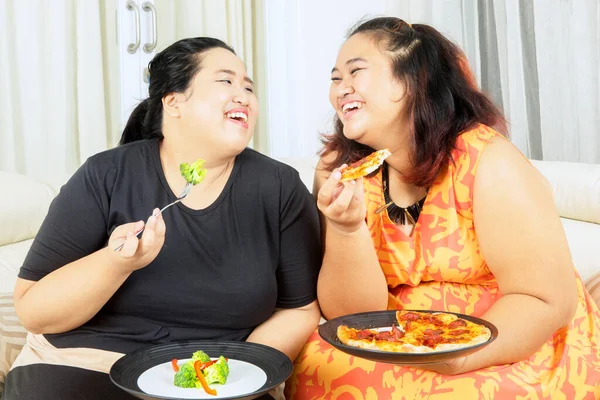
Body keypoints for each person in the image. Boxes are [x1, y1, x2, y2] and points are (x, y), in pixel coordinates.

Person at [285, 17, 600, 399]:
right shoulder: (339, 170)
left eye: (356, 72)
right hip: (397, 336)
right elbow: (351, 314)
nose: (340, 90)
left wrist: (459, 356)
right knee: (320, 365)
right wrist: (347, 229)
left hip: (506, 332)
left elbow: (543, 299)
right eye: (335, 79)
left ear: (411, 80)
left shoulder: (489, 162)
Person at [4, 37, 321, 400]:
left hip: (219, 376)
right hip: (86, 363)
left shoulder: (278, 186)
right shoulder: (106, 174)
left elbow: (299, 309)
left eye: (248, 86)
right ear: (173, 102)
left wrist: (235, 375)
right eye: (225, 81)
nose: (244, 95)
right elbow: (33, 312)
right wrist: (115, 263)